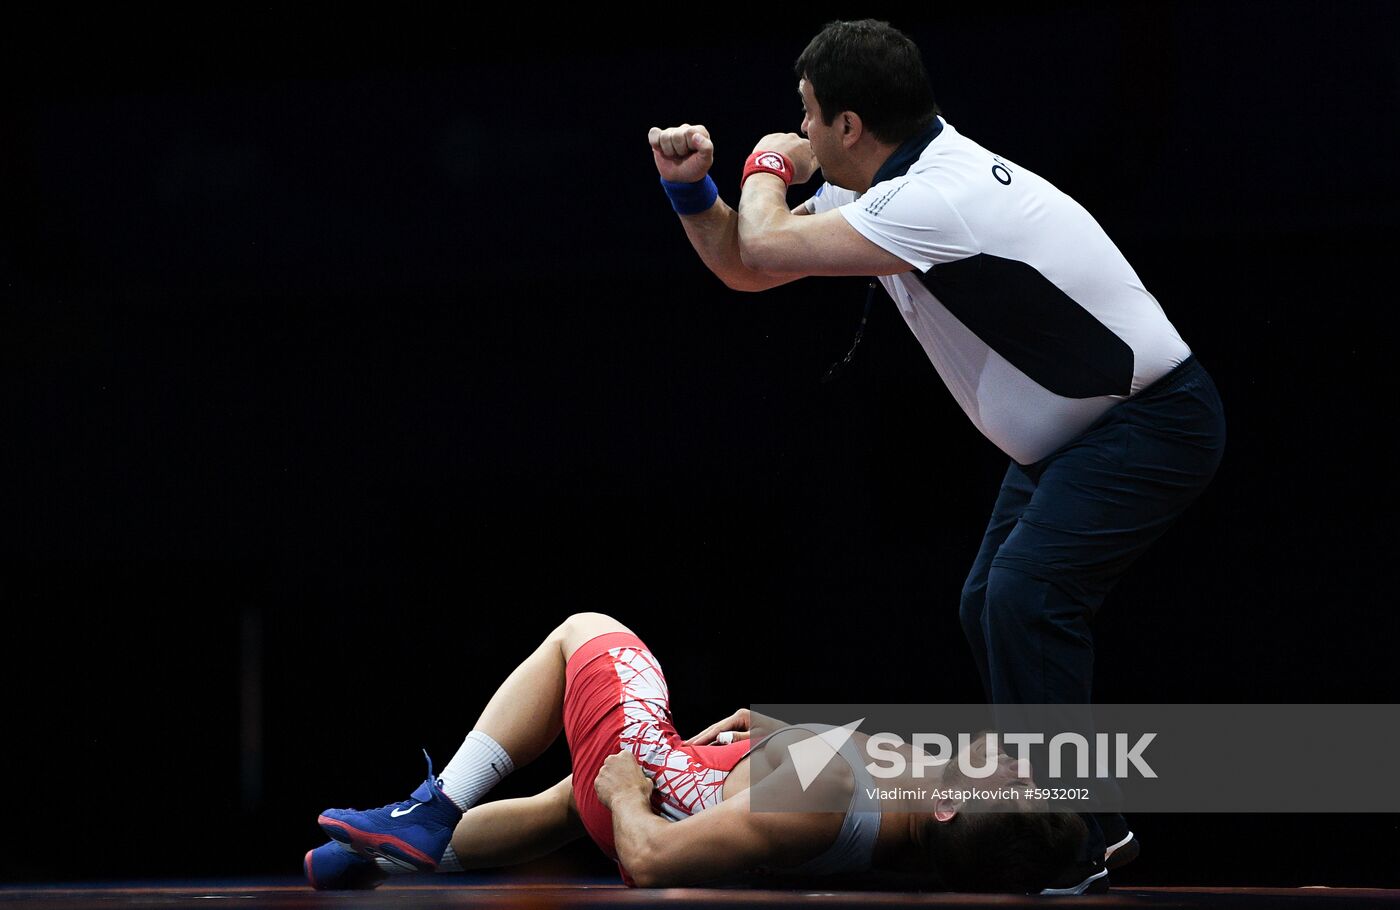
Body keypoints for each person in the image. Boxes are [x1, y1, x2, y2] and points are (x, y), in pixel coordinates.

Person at [648, 18, 1226, 892]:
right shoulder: (885, 193)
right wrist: (689, 191)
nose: (799, 129)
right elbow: (745, 267)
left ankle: (1084, 833)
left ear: (848, 127)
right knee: (987, 600)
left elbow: (763, 239)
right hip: (1073, 440)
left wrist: (766, 165)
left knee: (1026, 598)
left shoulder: (931, 198)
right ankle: (1052, 822)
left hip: (1154, 422)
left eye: (805, 115)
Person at [305, 612, 1086, 893]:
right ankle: (377, 858)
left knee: (588, 633)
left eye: (1007, 776)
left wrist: (624, 797)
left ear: (950, 807)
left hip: (662, 797)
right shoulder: (921, 805)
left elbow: (649, 861)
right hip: (700, 777)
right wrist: (779, 729)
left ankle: (430, 808)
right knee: (559, 803)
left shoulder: (825, 804)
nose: (1009, 759)